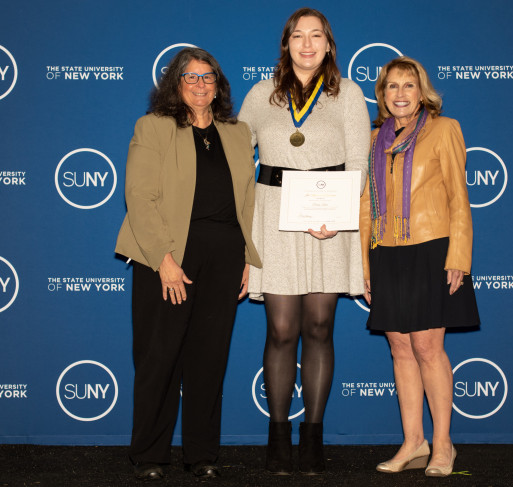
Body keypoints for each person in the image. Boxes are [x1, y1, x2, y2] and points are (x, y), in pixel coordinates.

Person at [115, 47, 261, 481]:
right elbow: (139, 197)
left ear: (219, 85)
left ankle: (202, 455)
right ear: (175, 85)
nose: (200, 84)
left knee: (209, 359)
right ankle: (149, 455)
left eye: (208, 76)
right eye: (190, 77)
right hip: (167, 253)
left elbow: (247, 201)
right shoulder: (154, 127)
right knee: (159, 357)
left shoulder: (237, 132)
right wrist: (164, 259)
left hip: (224, 254)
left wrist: (247, 259)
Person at [239, 7, 370, 475]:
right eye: (299, 35)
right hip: (274, 218)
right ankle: (277, 437)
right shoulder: (261, 94)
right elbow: (239, 158)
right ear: (286, 43)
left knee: (319, 327)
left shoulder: (349, 94)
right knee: (280, 330)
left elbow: (359, 162)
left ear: (329, 45)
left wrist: (335, 215)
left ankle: (312, 436)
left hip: (327, 221)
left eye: (317, 36)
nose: (308, 44)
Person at [360, 56, 480, 478]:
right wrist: (366, 264)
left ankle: (443, 444)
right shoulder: (375, 139)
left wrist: (459, 257)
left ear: (422, 90)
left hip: (432, 248)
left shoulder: (444, 129)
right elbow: (365, 206)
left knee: (428, 347)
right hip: (387, 250)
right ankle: (414, 441)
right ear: (382, 94)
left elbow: (458, 198)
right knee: (399, 348)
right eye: (392, 86)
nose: (400, 94)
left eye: (408, 85)